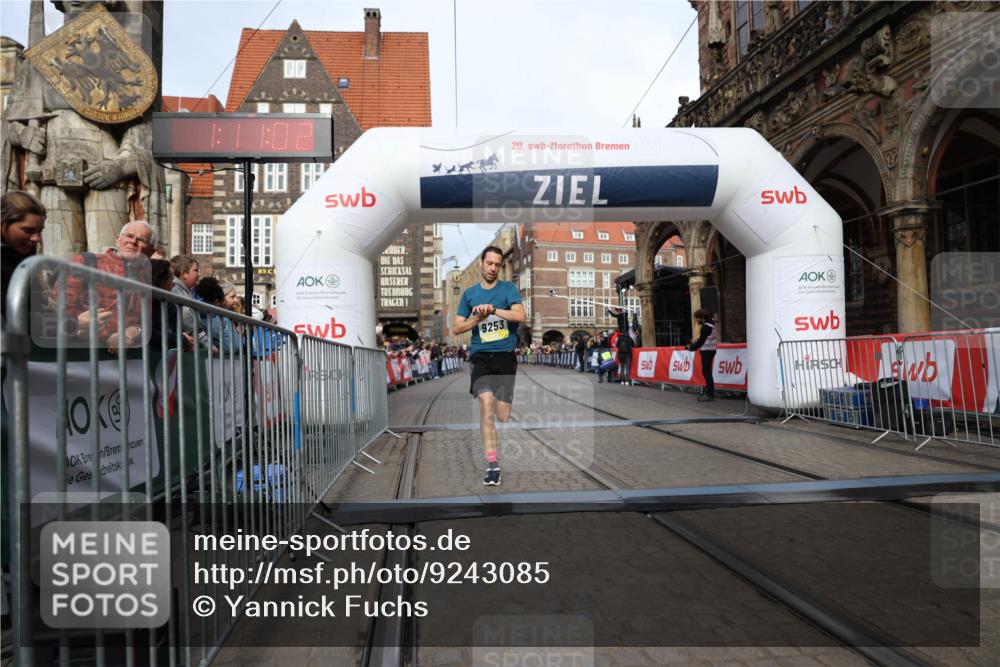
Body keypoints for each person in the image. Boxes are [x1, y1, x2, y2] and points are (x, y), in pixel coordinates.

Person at [452, 246, 526, 486]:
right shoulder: (470, 294)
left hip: (505, 357)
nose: (493, 268)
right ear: (482, 264)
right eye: (489, 263)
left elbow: (520, 316)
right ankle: (493, 465)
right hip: (481, 357)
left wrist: (494, 310)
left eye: (497, 264)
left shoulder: (508, 289)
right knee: (486, 406)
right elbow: (456, 328)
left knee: (503, 416)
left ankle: (498, 418)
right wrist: (478, 318)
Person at [64, 220, 156, 353]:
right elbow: (63, 309)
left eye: (141, 239)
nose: (133, 241)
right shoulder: (85, 262)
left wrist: (132, 332)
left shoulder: (145, 281)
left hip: (126, 361)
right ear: (118, 240)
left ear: (151, 250)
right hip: (83, 354)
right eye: (129, 236)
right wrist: (108, 337)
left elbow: (143, 323)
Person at [1, 191, 45, 316]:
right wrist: (74, 324)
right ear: (3, 224)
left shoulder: (21, 261)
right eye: (28, 231)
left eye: (40, 231)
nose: (37, 238)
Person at [686, 308, 718, 402]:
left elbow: (701, 341)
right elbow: (703, 339)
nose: (696, 320)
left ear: (702, 318)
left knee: (706, 372)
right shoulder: (712, 325)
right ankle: (709, 391)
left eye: (697, 318)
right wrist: (694, 343)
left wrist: (691, 348)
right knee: (707, 372)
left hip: (706, 352)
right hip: (711, 350)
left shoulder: (705, 327)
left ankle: (710, 394)